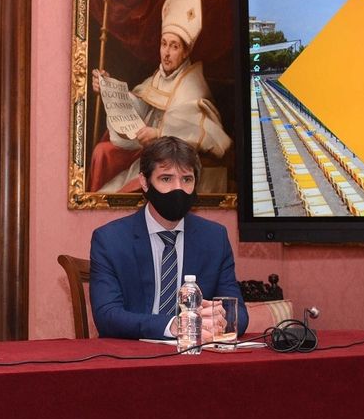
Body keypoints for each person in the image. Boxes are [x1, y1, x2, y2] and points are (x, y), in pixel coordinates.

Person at [89, 135, 248, 341]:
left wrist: (222, 317)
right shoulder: (110, 240)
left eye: (187, 179)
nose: (178, 189)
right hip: (131, 357)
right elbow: (107, 316)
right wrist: (171, 325)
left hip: (196, 357)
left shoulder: (214, 238)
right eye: (166, 179)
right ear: (145, 183)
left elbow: (240, 314)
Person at [89, 0, 233, 193]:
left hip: (171, 162)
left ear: (185, 53)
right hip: (149, 153)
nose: (166, 53)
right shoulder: (159, 76)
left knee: (122, 189)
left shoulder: (193, 86)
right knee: (102, 157)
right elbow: (139, 106)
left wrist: (158, 133)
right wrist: (110, 88)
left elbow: (201, 133)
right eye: (164, 44)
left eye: (174, 46)